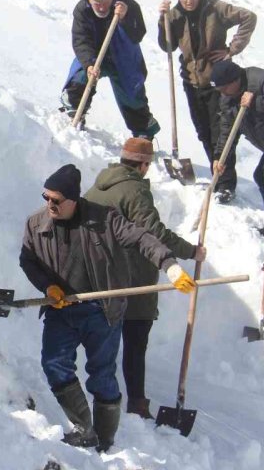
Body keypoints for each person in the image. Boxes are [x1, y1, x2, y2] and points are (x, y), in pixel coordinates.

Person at [19, 164, 194, 452]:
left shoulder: (105, 221)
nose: (49, 204)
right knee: (54, 364)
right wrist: (48, 286)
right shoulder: (35, 225)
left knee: (101, 374)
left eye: (56, 200)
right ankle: (83, 428)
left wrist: (170, 266)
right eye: (46, 197)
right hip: (61, 308)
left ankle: (105, 439)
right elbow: (28, 261)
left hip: (101, 309)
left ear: (74, 200)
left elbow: (142, 239)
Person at [83, 139, 204, 419]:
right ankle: (136, 405)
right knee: (135, 344)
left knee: (106, 341)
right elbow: (154, 233)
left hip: (101, 276)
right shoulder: (134, 190)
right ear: (144, 164)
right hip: (133, 278)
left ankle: (104, 398)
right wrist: (190, 252)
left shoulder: (98, 186)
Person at [158, 0, 257, 204]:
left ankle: (225, 185)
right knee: (203, 132)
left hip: (218, 83)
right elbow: (167, 46)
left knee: (220, 134)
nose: (189, 1)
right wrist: (162, 21)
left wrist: (231, 50)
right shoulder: (173, 15)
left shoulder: (215, 9)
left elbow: (249, 17)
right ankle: (217, 173)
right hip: (191, 82)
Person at [62, 0, 160, 138]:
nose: (101, 8)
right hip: (93, 56)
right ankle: (75, 113)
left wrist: (125, 18)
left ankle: (143, 135)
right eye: (97, 4)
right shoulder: (82, 9)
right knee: (80, 78)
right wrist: (89, 64)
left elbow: (138, 35)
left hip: (122, 58)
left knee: (132, 96)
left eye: (105, 3)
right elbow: (80, 40)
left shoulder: (127, 5)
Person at [212, 60, 264, 212]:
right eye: (219, 89)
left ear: (235, 80)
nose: (223, 93)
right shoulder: (227, 99)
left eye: (224, 88)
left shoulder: (259, 79)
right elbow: (228, 129)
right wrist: (220, 156)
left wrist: (255, 102)